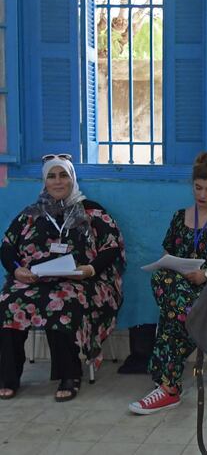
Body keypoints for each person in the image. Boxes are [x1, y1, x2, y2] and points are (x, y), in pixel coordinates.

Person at [129, 152, 207, 414]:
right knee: (162, 277)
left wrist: (205, 274)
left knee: (171, 319)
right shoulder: (180, 216)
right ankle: (195, 322)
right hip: (181, 290)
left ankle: (168, 388)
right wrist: (174, 266)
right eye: (197, 188)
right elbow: (166, 255)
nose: (202, 195)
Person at [0, 154, 125, 401]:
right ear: (44, 181)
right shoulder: (30, 214)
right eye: (52, 176)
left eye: (63, 175)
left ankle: (70, 375)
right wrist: (16, 270)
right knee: (6, 304)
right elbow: (7, 247)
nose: (58, 182)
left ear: (72, 178)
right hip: (34, 280)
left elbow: (112, 246)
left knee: (63, 302)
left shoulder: (92, 211)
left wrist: (90, 269)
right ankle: (8, 377)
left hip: (79, 279)